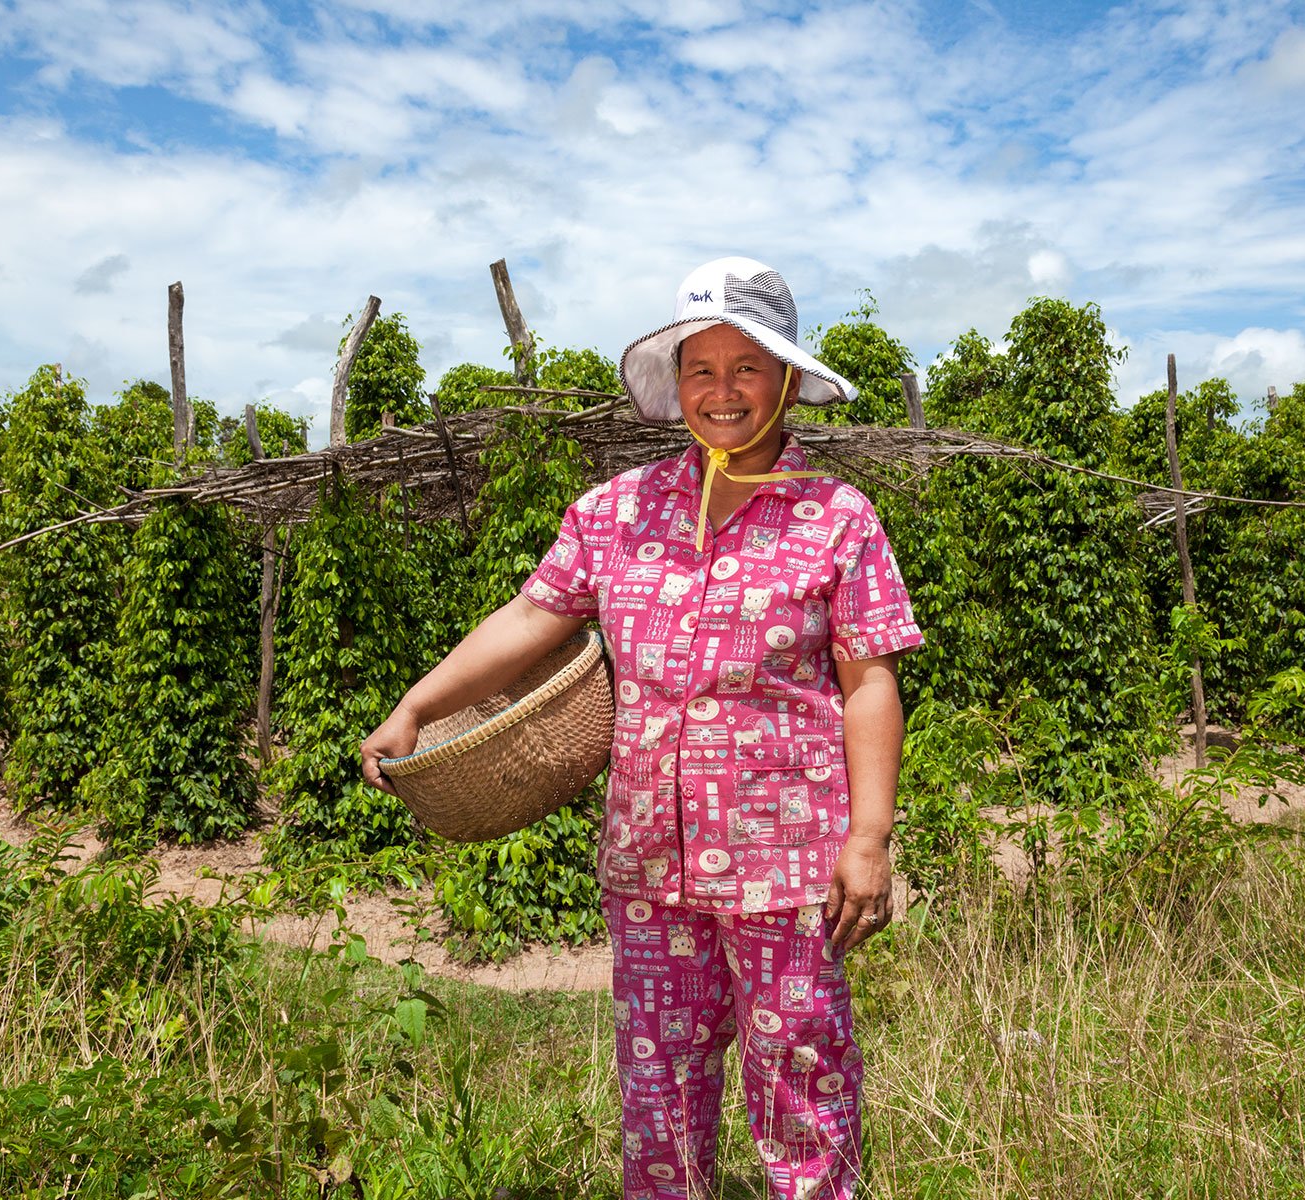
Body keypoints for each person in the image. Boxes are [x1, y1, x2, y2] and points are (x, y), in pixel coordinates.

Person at [361, 256, 923, 1199]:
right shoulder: (618, 511)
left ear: (785, 381)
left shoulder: (837, 518)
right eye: (701, 369)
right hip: (650, 863)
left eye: (747, 367)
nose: (723, 392)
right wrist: (417, 705)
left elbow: (871, 682)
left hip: (785, 864)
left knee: (802, 1077)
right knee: (658, 1089)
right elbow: (532, 618)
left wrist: (868, 840)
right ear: (677, 384)